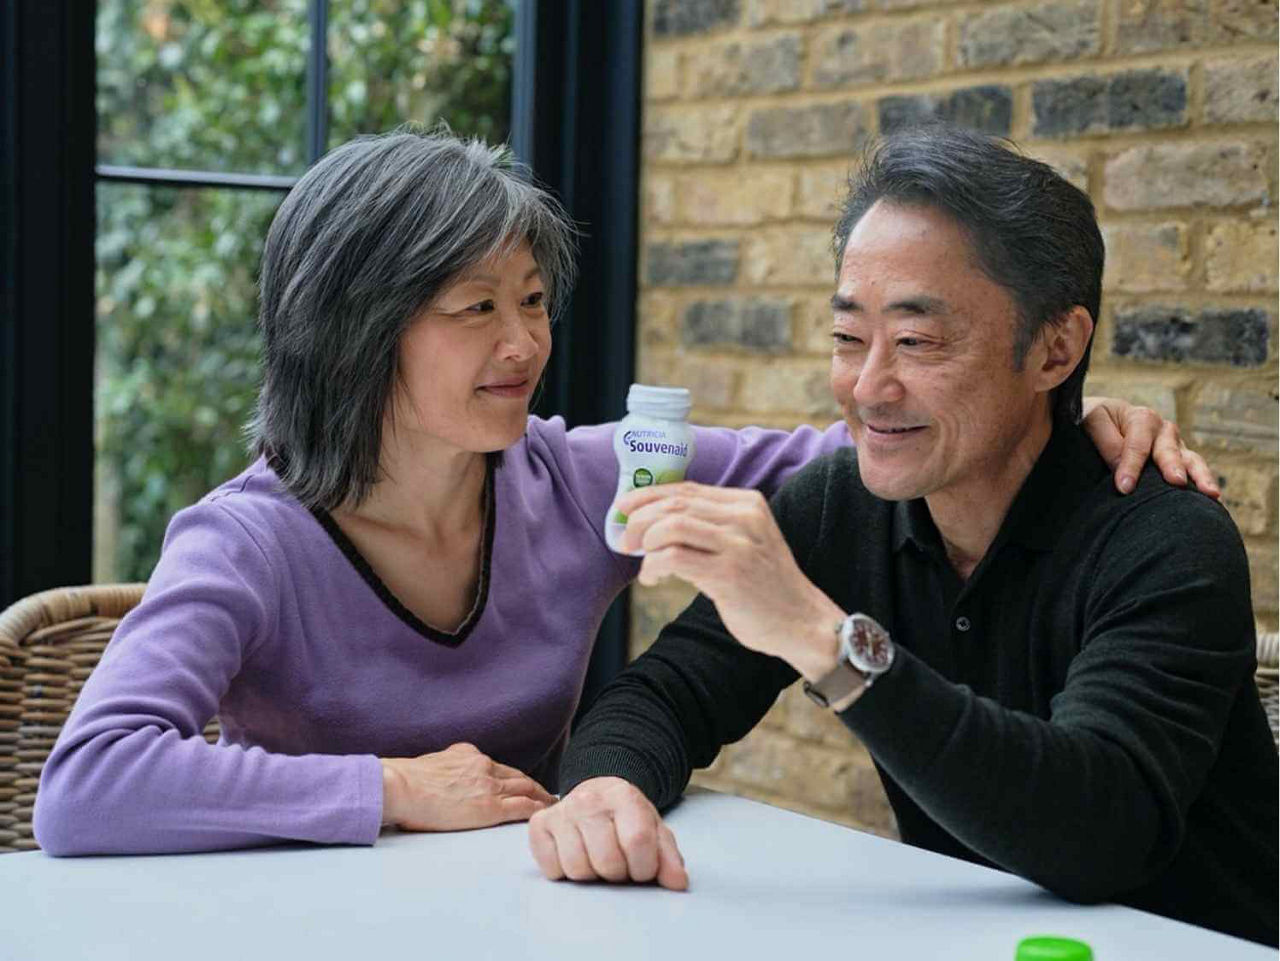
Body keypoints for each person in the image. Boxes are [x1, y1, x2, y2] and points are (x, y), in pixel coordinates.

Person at [34, 128, 1207, 857]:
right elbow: (87, 787)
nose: (525, 341)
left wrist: (1068, 418)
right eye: (475, 308)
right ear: (353, 334)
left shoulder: (579, 480)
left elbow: (876, 447)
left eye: (533, 300)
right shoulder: (247, 542)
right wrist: (394, 790)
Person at [528, 125, 1278, 948]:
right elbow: (660, 696)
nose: (869, 387)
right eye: (849, 338)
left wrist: (827, 641)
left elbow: (1098, 831)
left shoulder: (1168, 537)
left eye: (917, 341)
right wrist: (605, 787)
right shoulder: (838, 508)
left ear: (1056, 348)